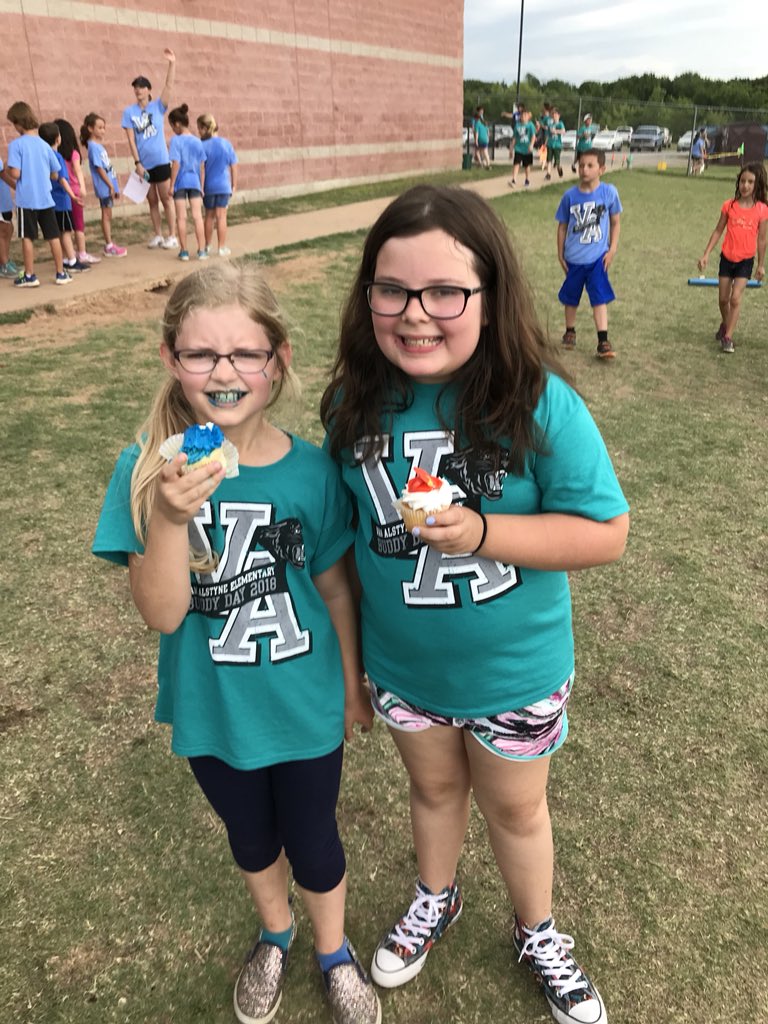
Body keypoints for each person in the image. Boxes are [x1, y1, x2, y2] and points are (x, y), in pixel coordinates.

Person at [320, 184, 629, 1024]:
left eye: (445, 292)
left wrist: (482, 532)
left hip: (515, 671)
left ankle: (537, 931)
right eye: (392, 290)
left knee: (517, 809)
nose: (416, 314)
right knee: (432, 793)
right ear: (368, 296)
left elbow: (606, 532)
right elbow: (344, 547)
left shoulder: (535, 399)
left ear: (490, 296)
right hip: (405, 669)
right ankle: (438, 895)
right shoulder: (353, 406)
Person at [92, 262, 381, 1024]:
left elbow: (336, 589)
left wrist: (353, 684)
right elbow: (162, 614)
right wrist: (170, 516)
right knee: (251, 837)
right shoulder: (147, 469)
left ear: (277, 359)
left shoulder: (312, 472)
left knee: (313, 839)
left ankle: (333, 951)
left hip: (304, 704)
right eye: (201, 354)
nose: (224, 373)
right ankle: (275, 932)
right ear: (170, 358)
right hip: (213, 709)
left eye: (245, 353)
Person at [556, 148, 622, 359]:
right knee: (571, 297)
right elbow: (562, 227)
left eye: (590, 165)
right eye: (581, 165)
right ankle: (570, 331)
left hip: (597, 259)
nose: (584, 169)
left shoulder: (609, 193)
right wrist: (560, 254)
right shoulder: (570, 196)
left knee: (599, 298)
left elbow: (615, 222)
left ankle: (603, 341)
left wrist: (612, 249)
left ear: (601, 169)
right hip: (574, 258)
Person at [697, 162, 768, 354]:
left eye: (750, 182)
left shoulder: (762, 210)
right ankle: (725, 324)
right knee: (723, 300)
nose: (745, 185)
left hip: (745, 261)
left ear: (757, 185)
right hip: (727, 259)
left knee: (735, 299)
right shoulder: (729, 206)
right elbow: (718, 230)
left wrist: (761, 265)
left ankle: (728, 337)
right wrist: (706, 254)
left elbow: (762, 239)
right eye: (743, 181)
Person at [5, 100, 71, 287]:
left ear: (19, 122)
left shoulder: (16, 145)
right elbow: (55, 173)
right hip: (46, 198)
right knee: (53, 236)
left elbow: (15, 173)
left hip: (27, 200)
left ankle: (30, 276)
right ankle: (61, 273)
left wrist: (9, 168)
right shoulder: (44, 145)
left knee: (27, 237)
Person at [122, 48, 178, 250]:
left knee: (166, 199)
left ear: (148, 90)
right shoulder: (129, 112)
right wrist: (137, 163)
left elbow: (169, 86)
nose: (138, 90)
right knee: (152, 201)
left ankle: (172, 235)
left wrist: (172, 63)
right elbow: (131, 139)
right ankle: (158, 235)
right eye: (136, 87)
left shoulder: (158, 107)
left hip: (161, 160)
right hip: (144, 165)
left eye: (142, 86)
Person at [37, 122, 90, 275]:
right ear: (58, 139)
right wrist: (73, 195)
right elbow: (62, 179)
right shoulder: (58, 157)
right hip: (62, 200)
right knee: (66, 231)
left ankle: (65, 258)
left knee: (58, 232)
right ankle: (72, 260)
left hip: (50, 200)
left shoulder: (42, 156)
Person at [80, 113, 127, 258]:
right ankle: (109, 245)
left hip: (108, 186)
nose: (103, 131)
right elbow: (99, 168)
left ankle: (109, 243)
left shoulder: (98, 147)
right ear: (90, 128)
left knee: (108, 214)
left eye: (104, 128)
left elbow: (107, 168)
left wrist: (114, 186)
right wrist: (110, 186)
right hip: (104, 187)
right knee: (106, 215)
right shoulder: (93, 147)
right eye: (99, 128)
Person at [54, 117, 100, 264]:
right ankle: (82, 253)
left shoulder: (56, 155)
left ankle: (67, 254)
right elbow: (78, 171)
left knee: (64, 228)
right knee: (78, 225)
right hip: (74, 191)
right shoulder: (73, 153)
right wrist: (82, 187)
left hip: (62, 193)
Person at [168, 104, 207, 261]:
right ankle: (202, 250)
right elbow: (202, 166)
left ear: (177, 124)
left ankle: (184, 251)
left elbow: (176, 164)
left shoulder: (176, 141)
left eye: (172, 126)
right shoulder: (198, 141)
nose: (172, 129)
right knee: (198, 217)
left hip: (180, 183)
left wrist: (171, 185)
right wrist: (202, 186)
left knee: (181, 217)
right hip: (195, 182)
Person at [197, 112, 238, 256]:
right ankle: (221, 247)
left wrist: (201, 187)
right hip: (224, 186)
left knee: (209, 216)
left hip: (208, 187)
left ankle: (207, 245)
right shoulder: (226, 144)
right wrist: (234, 185)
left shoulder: (202, 145)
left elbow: (201, 168)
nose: (198, 132)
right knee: (221, 216)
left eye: (199, 128)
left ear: (204, 128)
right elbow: (234, 166)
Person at [508, 108, 535, 188]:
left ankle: (527, 179)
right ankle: (514, 180)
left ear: (528, 117)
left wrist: (531, 145)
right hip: (518, 148)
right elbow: (514, 138)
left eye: (525, 116)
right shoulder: (517, 125)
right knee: (516, 164)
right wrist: (511, 149)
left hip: (527, 149)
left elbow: (533, 136)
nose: (523, 117)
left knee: (527, 165)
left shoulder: (530, 125)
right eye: (522, 116)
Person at [0, 154, 17, 278]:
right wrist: (18, 187)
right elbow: (3, 175)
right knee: (3, 231)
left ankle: (5, 259)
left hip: (4, 199)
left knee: (9, 228)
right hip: (1, 201)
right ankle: (4, 264)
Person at [547, 107, 565, 180]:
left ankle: (559, 168)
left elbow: (563, 131)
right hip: (550, 144)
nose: (554, 116)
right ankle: (548, 174)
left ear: (559, 116)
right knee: (549, 160)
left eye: (556, 115)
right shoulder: (550, 125)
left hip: (557, 145)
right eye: (553, 115)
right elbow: (548, 135)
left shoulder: (560, 123)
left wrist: (556, 131)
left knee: (557, 162)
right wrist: (545, 143)